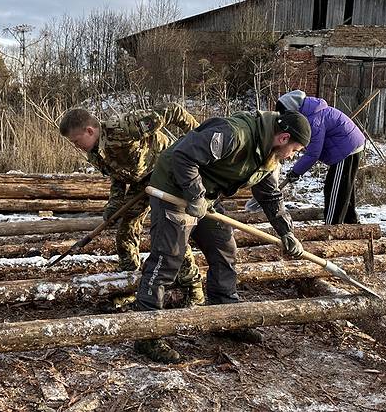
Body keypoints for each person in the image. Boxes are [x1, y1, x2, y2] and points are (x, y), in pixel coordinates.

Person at [135, 109, 312, 363]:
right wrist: (194, 194)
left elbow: (270, 195)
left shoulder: (268, 155)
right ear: (283, 138)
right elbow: (183, 156)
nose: (293, 156)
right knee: (168, 258)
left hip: (204, 195)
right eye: (295, 150)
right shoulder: (235, 134)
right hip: (173, 188)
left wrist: (287, 232)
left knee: (224, 249)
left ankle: (225, 318)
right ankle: (146, 332)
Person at [59, 103, 205, 310]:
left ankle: (194, 288)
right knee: (126, 230)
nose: (76, 146)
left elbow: (174, 110)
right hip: (143, 182)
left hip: (168, 174)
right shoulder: (94, 152)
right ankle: (130, 283)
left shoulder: (123, 128)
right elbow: (117, 177)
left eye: (76, 141)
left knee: (171, 232)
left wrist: (198, 142)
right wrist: (114, 205)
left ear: (89, 131)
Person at [276, 90, 365, 225]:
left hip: (347, 149)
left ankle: (331, 228)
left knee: (334, 190)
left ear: (292, 110)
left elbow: (313, 153)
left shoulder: (313, 120)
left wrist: (296, 172)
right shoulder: (311, 113)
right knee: (343, 188)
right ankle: (351, 223)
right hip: (348, 147)